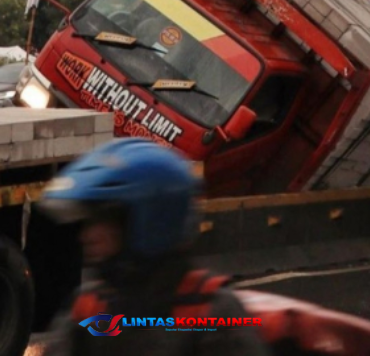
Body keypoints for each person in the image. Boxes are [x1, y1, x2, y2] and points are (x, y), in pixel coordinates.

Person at [39, 138, 270, 356]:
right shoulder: (89, 307)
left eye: (102, 220)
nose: (86, 236)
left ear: (149, 220)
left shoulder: (213, 317)